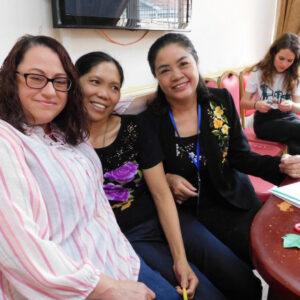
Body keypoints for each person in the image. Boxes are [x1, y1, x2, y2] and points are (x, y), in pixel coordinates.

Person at [0, 34, 193, 300]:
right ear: (11, 78)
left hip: (119, 254)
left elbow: (118, 107)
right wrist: (101, 287)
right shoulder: (7, 140)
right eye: (35, 77)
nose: (48, 90)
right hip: (78, 282)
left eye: (59, 81)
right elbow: (18, 247)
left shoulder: (65, 133)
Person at [75, 51, 264, 300]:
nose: (104, 93)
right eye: (95, 82)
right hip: (126, 236)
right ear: (74, 82)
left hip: (168, 217)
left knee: (243, 281)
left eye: (114, 87)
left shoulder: (133, 127)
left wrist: (180, 260)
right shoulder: (63, 143)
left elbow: (161, 194)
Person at [141, 32, 300, 270]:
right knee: (240, 280)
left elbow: (240, 156)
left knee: (275, 255)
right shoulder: (150, 120)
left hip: (235, 199)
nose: (176, 75)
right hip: (193, 213)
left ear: (196, 63)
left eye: (183, 64)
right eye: (164, 70)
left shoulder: (220, 100)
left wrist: (281, 166)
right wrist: (165, 178)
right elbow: (141, 173)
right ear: (157, 77)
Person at [240, 32, 300, 154]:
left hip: (287, 117)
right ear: (273, 54)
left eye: (290, 60)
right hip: (265, 121)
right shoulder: (258, 71)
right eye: (281, 58)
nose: (284, 64)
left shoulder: (294, 76)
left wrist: (291, 105)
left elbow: (298, 108)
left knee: (296, 140)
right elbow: (243, 103)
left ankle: (294, 172)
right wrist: (256, 105)